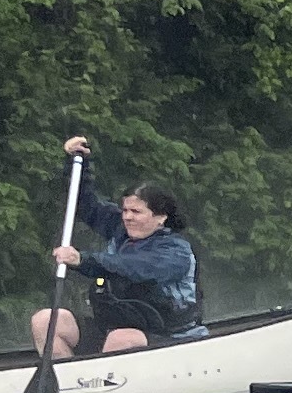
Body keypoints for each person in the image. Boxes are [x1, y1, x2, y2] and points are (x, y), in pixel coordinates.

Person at [32, 138, 205, 354]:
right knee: (46, 321)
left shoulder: (176, 251)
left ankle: (103, 383)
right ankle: (68, 383)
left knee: (121, 338)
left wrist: (83, 260)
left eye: (136, 212)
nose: (127, 217)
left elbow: (135, 268)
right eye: (125, 211)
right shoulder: (119, 227)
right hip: (113, 326)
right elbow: (84, 204)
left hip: (169, 335)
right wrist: (77, 164)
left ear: (161, 217)